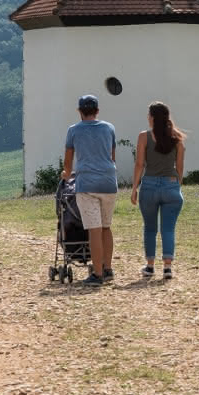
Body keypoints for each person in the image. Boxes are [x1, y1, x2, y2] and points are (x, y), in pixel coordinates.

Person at [63, 93, 117, 286]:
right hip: (109, 182)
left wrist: (66, 173)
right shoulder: (109, 128)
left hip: (87, 184)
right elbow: (111, 156)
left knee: (94, 230)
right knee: (106, 227)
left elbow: (68, 163)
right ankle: (108, 268)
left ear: (80, 112)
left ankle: (97, 274)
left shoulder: (73, 131)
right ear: (97, 111)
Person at [130, 101, 185, 279]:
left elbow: (139, 164)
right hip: (171, 185)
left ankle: (150, 266)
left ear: (152, 117)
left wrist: (134, 188)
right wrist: (177, 183)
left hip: (150, 186)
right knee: (168, 229)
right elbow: (180, 166)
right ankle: (168, 267)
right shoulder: (176, 137)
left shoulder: (144, 136)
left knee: (150, 228)